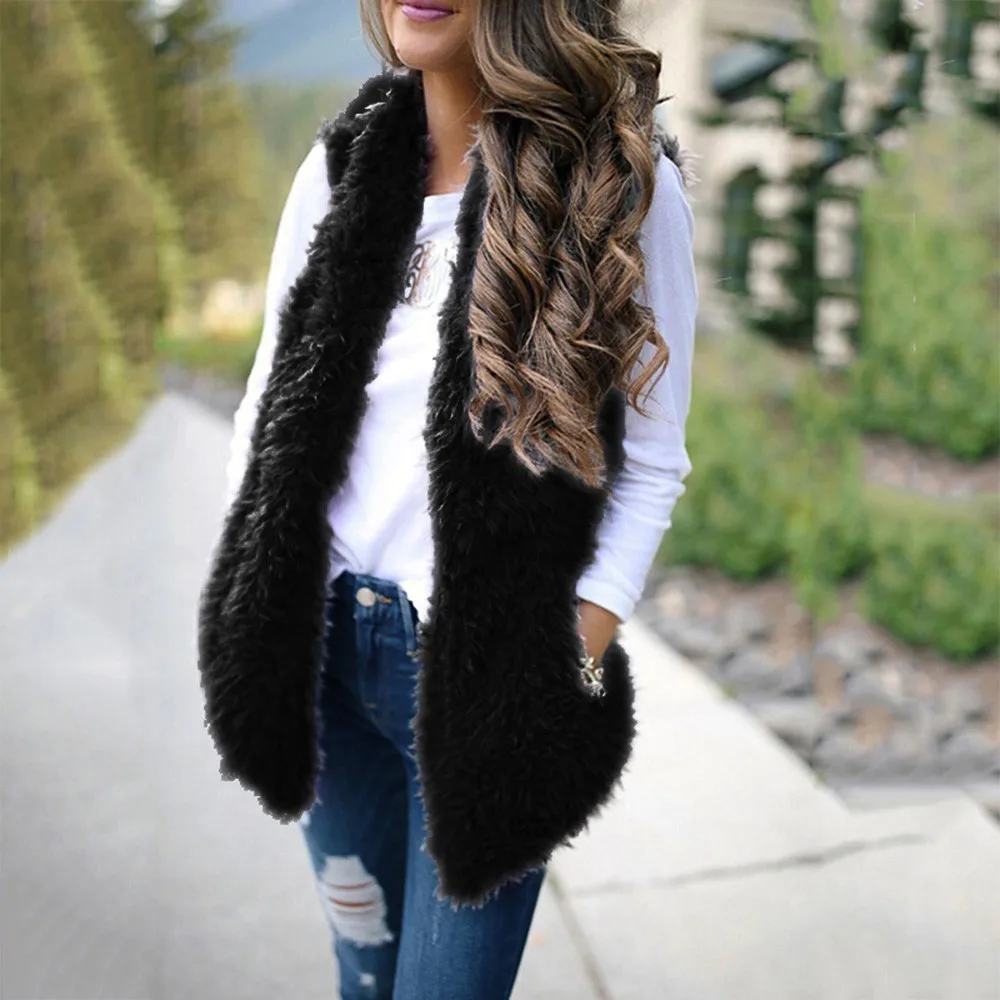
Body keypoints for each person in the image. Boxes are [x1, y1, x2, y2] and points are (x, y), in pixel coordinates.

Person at [197, 1, 697, 997]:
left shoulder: (621, 185)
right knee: (363, 973)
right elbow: (266, 410)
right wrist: (256, 593)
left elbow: (652, 463)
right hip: (322, 667)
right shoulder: (340, 167)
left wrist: (562, 660)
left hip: (488, 692)